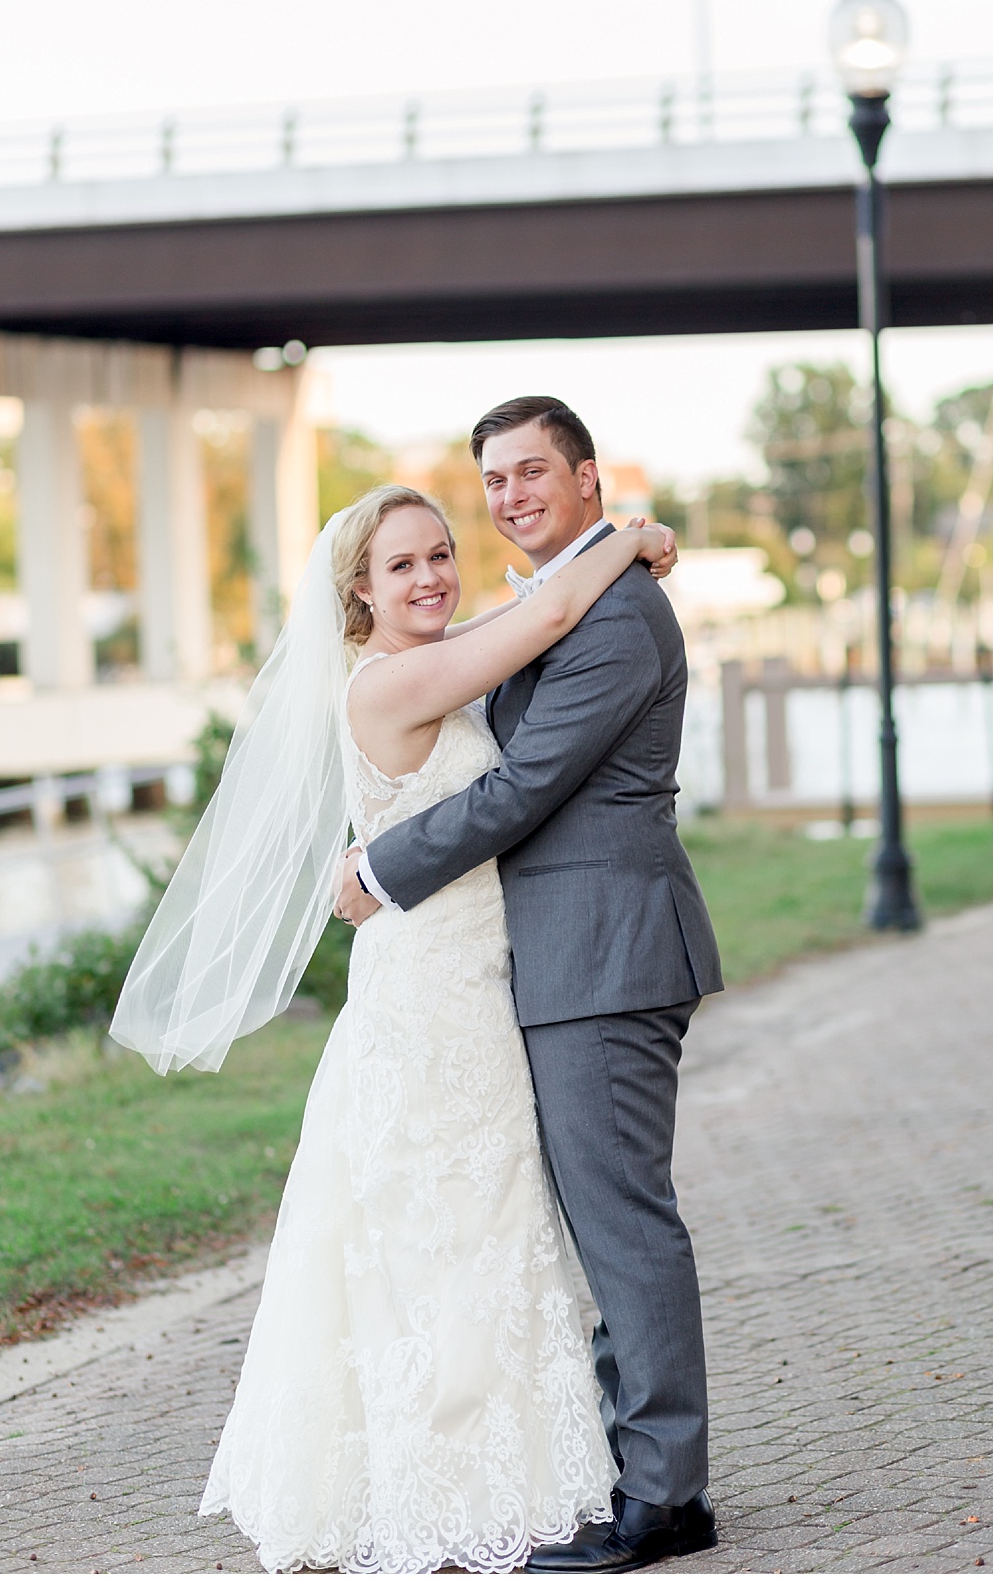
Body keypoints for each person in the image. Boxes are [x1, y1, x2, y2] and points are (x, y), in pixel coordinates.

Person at [111, 479, 679, 1574]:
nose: (430, 577)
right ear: (357, 596)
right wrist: (632, 536)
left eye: (439, 554)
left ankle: (519, 1473)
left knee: (493, 1229)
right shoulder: (392, 683)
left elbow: (525, 616)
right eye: (402, 565)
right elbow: (551, 616)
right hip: (430, 997)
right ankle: (443, 1489)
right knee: (436, 1239)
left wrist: (624, 546)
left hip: (479, 982)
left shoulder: (435, 651)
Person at [336, 397, 724, 1574]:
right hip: (556, 957)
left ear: (588, 479)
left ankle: (664, 1497)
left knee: (623, 1222)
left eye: (531, 474)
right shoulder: (569, 597)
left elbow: (528, 786)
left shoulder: (610, 621)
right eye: (493, 480)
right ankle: (633, 1471)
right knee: (595, 1224)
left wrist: (382, 867)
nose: (508, 497)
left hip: (603, 952)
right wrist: (633, 539)